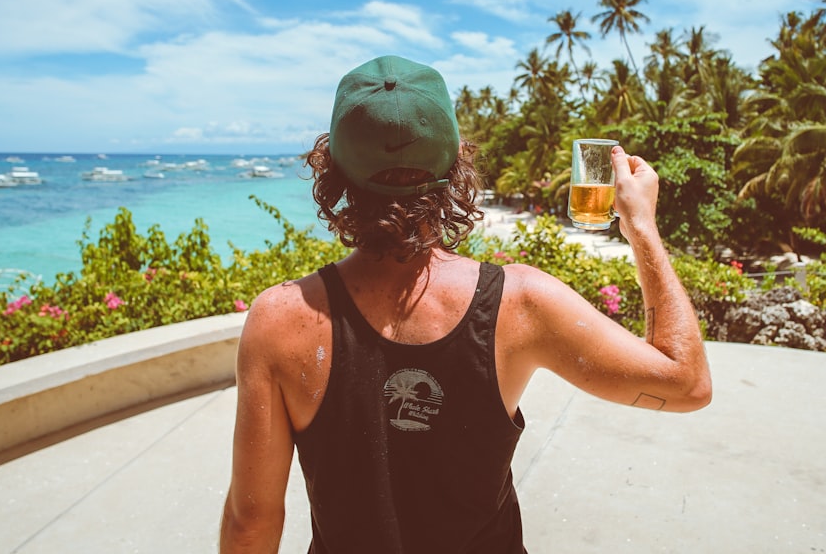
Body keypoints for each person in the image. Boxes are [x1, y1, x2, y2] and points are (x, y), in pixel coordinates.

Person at [220, 55, 711, 553]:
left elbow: (251, 525)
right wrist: (641, 227)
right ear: (456, 165)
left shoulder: (280, 321)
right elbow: (687, 383)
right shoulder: (520, 304)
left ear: (334, 173)